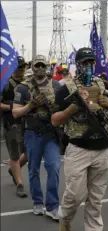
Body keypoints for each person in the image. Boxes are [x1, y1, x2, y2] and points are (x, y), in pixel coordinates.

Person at [51, 47, 108, 231]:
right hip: (78, 148)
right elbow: (55, 120)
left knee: (96, 199)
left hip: (102, 148)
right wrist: (73, 108)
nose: (89, 66)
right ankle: (65, 218)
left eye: (91, 62)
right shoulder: (67, 88)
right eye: (84, 63)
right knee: (75, 195)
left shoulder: (105, 86)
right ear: (78, 64)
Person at [12, 55, 61, 220]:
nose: (39, 68)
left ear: (47, 66)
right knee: (33, 169)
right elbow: (15, 112)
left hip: (51, 134)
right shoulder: (23, 88)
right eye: (36, 65)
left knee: (53, 167)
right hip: (32, 133)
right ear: (32, 67)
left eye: (42, 65)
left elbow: (63, 108)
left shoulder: (56, 86)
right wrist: (31, 105)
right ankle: (38, 202)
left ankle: (53, 205)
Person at [0, 56, 28, 197]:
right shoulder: (5, 83)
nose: (21, 69)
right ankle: (19, 183)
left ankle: (13, 170)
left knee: (29, 153)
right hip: (11, 123)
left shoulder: (28, 83)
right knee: (14, 155)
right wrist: (11, 106)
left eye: (23, 67)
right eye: (19, 67)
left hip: (27, 123)